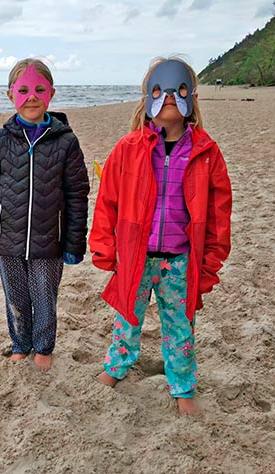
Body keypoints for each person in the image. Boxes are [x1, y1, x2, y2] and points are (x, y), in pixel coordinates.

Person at [89, 57, 232, 415]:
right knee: (127, 318)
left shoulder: (206, 152)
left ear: (191, 97)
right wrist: (106, 249)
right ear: (147, 97)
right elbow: (108, 201)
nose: (169, 96)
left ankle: (183, 385)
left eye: (179, 89)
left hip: (181, 260)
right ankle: (117, 367)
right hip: (135, 256)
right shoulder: (127, 148)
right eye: (160, 89)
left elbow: (218, 211)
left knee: (180, 327)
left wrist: (211, 261)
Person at [0, 58, 90, 371]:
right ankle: (21, 344)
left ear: (51, 93)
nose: (31, 96)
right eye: (23, 90)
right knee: (16, 299)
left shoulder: (66, 141)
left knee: (44, 298)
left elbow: (78, 195)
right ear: (10, 95)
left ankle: (44, 346)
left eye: (39, 89)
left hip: (50, 242)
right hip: (7, 240)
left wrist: (75, 243)